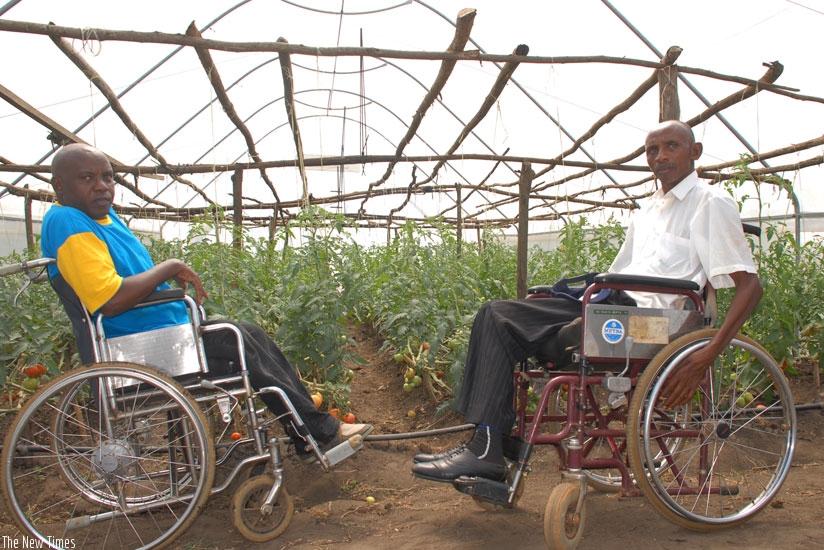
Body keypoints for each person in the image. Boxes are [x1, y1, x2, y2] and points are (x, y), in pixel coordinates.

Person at [411, 120, 763, 483]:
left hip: (657, 322)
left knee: (579, 329)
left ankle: (486, 452)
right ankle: (485, 447)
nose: (660, 157)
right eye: (652, 150)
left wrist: (707, 355)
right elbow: (618, 273)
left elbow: (749, 287)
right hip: (617, 304)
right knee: (496, 314)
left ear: (695, 152)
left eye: (671, 146)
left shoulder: (710, 202)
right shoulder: (649, 210)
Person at [40, 143, 372, 462]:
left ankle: (311, 431)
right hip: (141, 349)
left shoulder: (101, 219)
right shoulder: (69, 222)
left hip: (157, 339)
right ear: (59, 185)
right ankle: (317, 432)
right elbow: (110, 301)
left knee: (249, 333)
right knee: (240, 341)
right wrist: (169, 267)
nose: (102, 187)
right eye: (87, 178)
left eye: (108, 177)